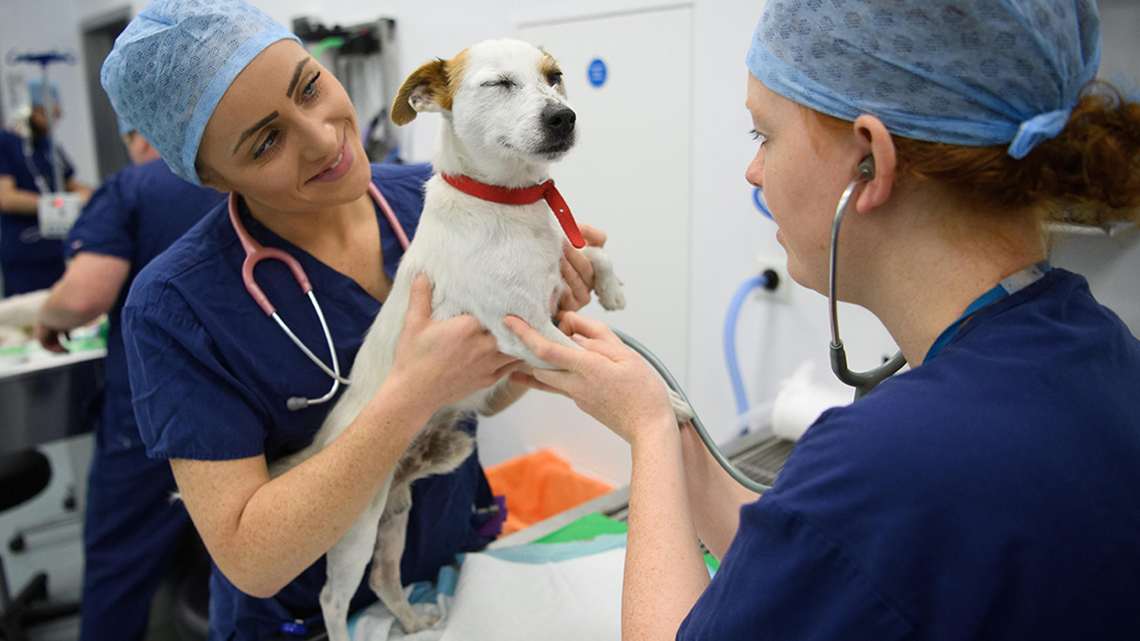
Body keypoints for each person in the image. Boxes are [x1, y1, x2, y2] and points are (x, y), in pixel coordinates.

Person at [506, 1, 1140, 639]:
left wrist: (645, 431)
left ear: (871, 159)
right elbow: (819, 565)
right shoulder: (1101, 347)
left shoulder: (889, 462)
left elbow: (844, 527)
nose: (753, 171)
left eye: (765, 136)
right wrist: (664, 419)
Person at [100, 2, 606, 638]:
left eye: (310, 86)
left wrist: (531, 336)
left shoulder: (439, 198)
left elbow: (475, 397)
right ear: (210, 176)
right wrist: (411, 391)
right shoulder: (176, 308)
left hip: (456, 578)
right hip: (307, 619)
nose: (321, 137)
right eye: (265, 142)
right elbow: (250, 557)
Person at [36, 115, 225, 641]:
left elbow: (83, 297)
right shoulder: (240, 177)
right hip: (251, 401)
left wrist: (47, 320)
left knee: (120, 557)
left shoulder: (130, 188)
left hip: (155, 413)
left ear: (140, 135)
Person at [0, 79, 92, 295]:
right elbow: (6, 197)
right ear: (31, 110)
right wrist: (56, 206)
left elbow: (70, 184)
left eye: (57, 115)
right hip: (26, 255)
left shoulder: (49, 145)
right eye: (47, 114)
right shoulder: (7, 143)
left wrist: (96, 195)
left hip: (58, 250)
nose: (53, 121)